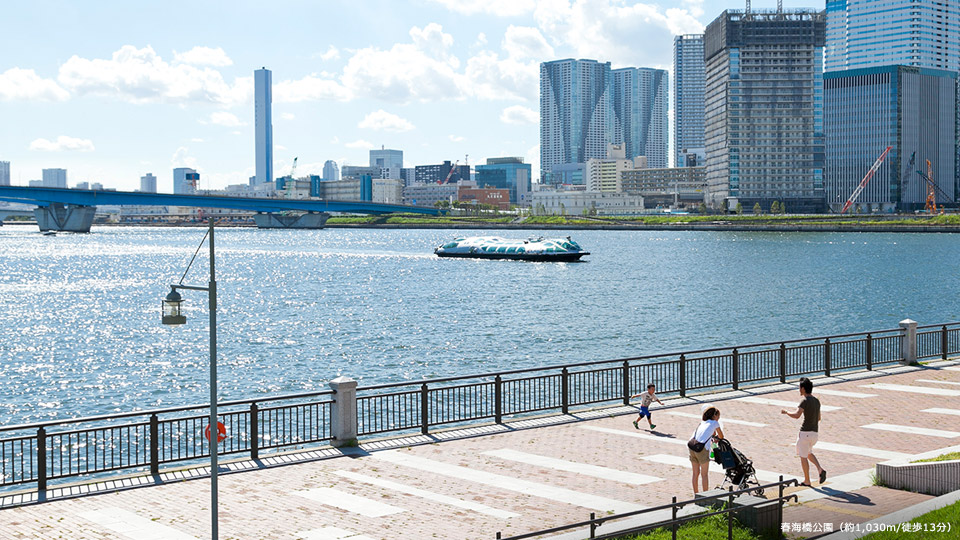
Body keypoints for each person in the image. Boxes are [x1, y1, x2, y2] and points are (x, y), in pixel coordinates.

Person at [781, 377, 826, 487]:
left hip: (805, 433)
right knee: (808, 452)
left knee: (803, 456)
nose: (799, 389)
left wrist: (786, 412)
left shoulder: (804, 401)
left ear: (804, 389)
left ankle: (807, 480)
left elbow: (797, 415)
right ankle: (820, 470)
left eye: (800, 387)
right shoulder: (816, 401)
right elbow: (819, 418)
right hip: (815, 433)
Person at [689, 406, 724, 494]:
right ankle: (705, 496)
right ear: (715, 416)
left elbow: (710, 433)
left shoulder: (702, 423)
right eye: (718, 417)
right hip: (702, 450)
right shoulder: (715, 423)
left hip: (692, 447)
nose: (718, 419)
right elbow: (721, 436)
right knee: (704, 474)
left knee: (695, 474)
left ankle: (696, 494)